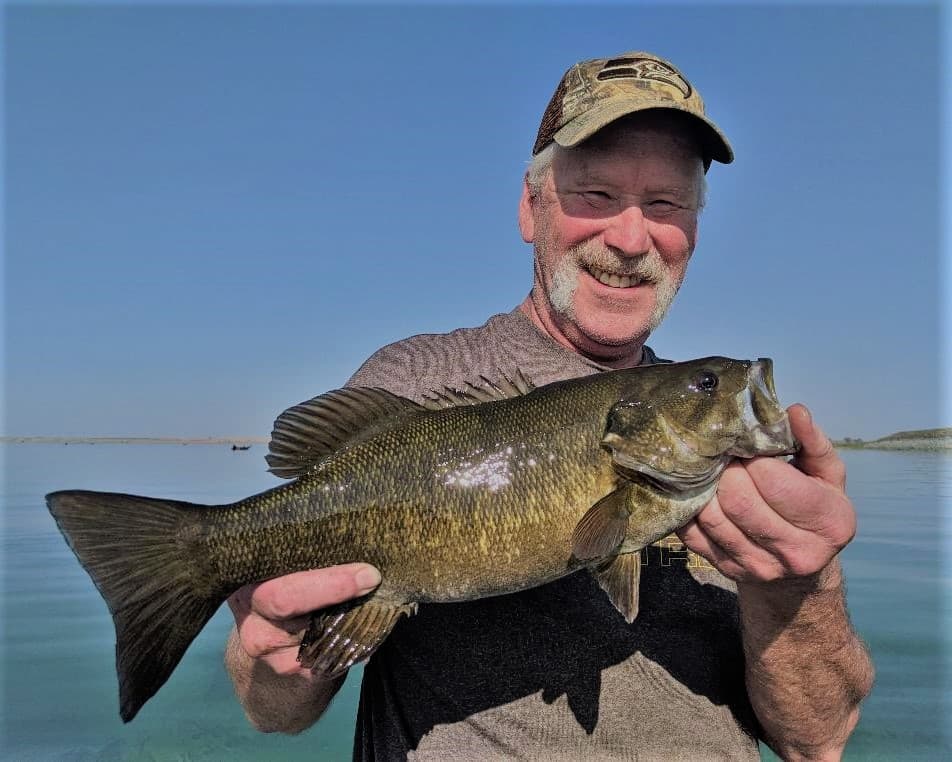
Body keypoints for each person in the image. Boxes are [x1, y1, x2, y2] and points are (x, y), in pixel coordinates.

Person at [225, 51, 874, 759]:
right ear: (530, 209)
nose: (631, 239)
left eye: (664, 204)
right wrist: (270, 662)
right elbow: (277, 710)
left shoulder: (737, 463)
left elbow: (819, 743)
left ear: (693, 227)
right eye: (595, 194)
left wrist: (799, 588)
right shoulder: (418, 381)